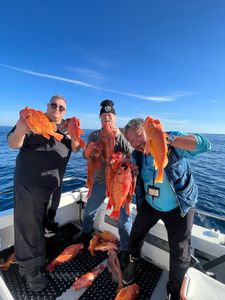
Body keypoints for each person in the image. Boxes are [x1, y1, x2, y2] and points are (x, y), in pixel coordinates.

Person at [121, 118, 211, 300]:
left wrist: (167, 139)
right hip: (150, 204)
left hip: (179, 206)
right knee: (135, 235)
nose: (136, 143)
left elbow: (205, 145)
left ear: (146, 129)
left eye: (138, 135)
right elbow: (135, 169)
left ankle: (174, 290)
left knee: (179, 251)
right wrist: (130, 168)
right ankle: (133, 263)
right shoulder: (138, 153)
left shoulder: (170, 140)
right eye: (131, 141)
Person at [7, 95, 81, 292]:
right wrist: (22, 127)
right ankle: (28, 269)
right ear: (47, 107)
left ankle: (37, 258)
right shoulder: (33, 124)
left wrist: (72, 131)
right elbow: (13, 143)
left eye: (62, 107)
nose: (57, 109)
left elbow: (77, 147)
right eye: (54, 105)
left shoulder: (64, 137)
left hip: (52, 191)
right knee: (28, 229)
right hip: (29, 188)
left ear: (65, 112)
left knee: (42, 226)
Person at [72, 99, 133, 268]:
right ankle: (85, 235)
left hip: (118, 184)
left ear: (115, 118)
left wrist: (119, 136)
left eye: (110, 116)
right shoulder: (94, 135)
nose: (107, 119)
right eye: (104, 116)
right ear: (100, 119)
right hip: (99, 182)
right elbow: (85, 156)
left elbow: (133, 153)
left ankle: (126, 249)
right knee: (89, 210)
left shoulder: (122, 134)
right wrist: (89, 150)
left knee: (123, 220)